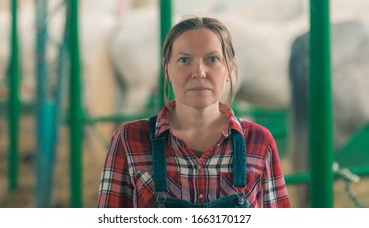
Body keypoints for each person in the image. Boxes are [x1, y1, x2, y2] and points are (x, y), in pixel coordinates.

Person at [97, 16, 291, 208]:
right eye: (184, 60)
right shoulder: (128, 141)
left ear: (229, 69)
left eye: (212, 59)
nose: (199, 72)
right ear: (166, 70)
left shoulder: (260, 142)